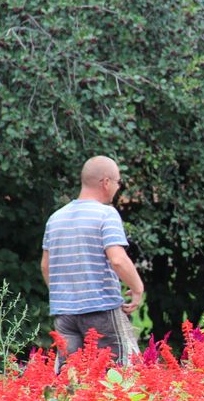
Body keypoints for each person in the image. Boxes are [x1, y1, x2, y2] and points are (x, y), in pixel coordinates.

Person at [41, 156, 144, 365]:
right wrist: (137, 288)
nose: (118, 188)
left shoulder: (55, 218)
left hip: (65, 314)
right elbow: (118, 259)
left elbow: (45, 266)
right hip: (101, 309)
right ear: (106, 182)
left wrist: (67, 296)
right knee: (121, 371)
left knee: (72, 375)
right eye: (118, 182)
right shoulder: (106, 214)